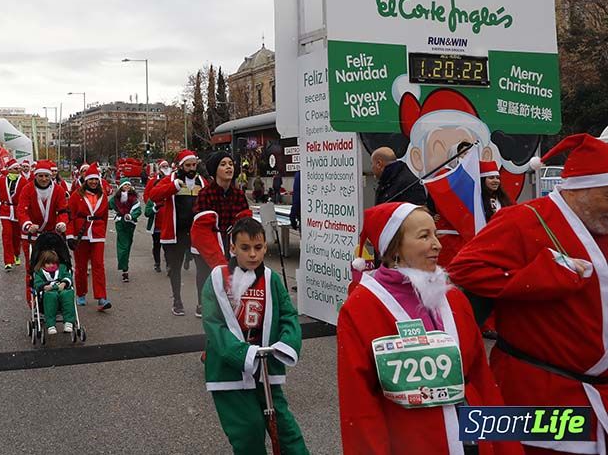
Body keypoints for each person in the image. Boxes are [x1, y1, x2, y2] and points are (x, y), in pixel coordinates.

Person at [448, 134, 608, 454]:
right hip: (537, 392)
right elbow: (463, 270)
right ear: (583, 188)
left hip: (596, 395)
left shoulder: (600, 226)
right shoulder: (523, 220)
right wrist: (544, 276)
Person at [338, 202, 520, 455]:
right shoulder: (361, 307)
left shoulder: (454, 298)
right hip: (411, 442)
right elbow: (359, 406)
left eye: (435, 234)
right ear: (394, 249)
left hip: (473, 438)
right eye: (424, 236)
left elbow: (482, 380)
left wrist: (506, 447)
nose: (438, 244)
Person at [201, 217, 308, 455]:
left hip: (266, 368)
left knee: (285, 429)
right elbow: (214, 324)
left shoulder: (271, 279)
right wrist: (241, 353)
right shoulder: (217, 279)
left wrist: (286, 344)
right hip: (230, 370)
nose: (252, 255)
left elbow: (288, 316)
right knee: (248, 430)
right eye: (245, 248)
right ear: (232, 248)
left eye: (258, 248)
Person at [191, 151, 251, 317]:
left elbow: (244, 222)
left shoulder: (239, 195)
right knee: (206, 275)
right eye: (223, 164)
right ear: (215, 169)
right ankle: (203, 303)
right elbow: (202, 229)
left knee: (233, 273)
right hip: (207, 242)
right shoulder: (205, 194)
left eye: (230, 164)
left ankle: (229, 303)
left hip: (230, 242)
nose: (228, 167)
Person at [148, 149, 206, 316]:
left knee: (202, 269)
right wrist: (173, 187)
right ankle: (177, 301)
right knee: (175, 268)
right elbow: (153, 195)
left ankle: (201, 303)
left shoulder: (202, 181)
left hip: (197, 233)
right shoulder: (171, 179)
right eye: (188, 165)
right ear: (181, 166)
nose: (191, 168)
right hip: (176, 233)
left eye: (194, 165)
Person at [68, 163, 112, 311]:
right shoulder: (76, 196)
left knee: (98, 265)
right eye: (91, 179)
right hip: (81, 233)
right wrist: (70, 235)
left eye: (96, 180)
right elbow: (70, 216)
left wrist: (103, 233)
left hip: (97, 234)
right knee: (80, 266)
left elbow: (105, 217)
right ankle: (81, 293)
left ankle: (101, 297)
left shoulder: (103, 196)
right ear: (85, 180)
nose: (93, 182)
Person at [16, 160, 70, 269]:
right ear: (35, 175)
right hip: (31, 233)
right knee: (31, 267)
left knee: (53, 265)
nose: (44, 179)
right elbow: (22, 210)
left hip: (51, 233)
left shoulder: (58, 190)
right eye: (40, 176)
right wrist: (28, 225)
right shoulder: (27, 189)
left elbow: (63, 210)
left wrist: (62, 222)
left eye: (46, 176)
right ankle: (31, 286)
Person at [32, 249, 77, 335]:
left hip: (62, 289)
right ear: (43, 263)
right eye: (48, 263)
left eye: (53, 263)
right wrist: (44, 286)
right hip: (48, 291)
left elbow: (68, 276)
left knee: (68, 294)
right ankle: (51, 325)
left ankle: (69, 322)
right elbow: (37, 283)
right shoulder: (39, 272)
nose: (51, 265)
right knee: (50, 297)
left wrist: (64, 283)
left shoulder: (62, 268)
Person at [109, 178, 142, 283]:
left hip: (130, 224)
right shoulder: (116, 198)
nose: (127, 187)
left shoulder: (133, 198)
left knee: (127, 245)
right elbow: (108, 205)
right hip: (120, 223)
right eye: (125, 185)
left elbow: (138, 210)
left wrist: (131, 216)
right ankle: (125, 269)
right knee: (123, 246)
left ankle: (125, 266)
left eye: (128, 185)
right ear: (121, 187)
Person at [144, 159, 171, 273]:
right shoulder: (153, 181)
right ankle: (157, 263)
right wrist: (151, 206)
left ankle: (169, 265)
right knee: (157, 244)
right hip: (156, 223)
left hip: (167, 222)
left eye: (167, 165)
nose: (165, 167)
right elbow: (147, 195)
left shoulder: (173, 179)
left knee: (168, 246)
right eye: (163, 166)